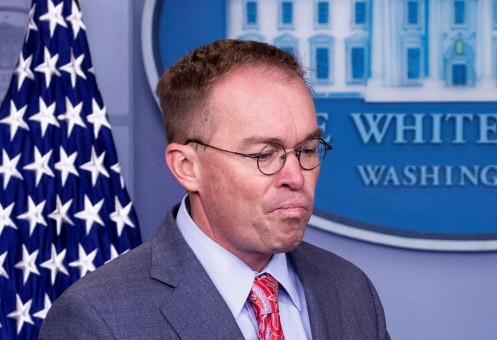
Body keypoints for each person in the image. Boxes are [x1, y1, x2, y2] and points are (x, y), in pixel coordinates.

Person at [40, 39, 390, 339]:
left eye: (307, 150)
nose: (296, 177)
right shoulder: (97, 318)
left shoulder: (349, 290)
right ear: (187, 167)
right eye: (264, 154)